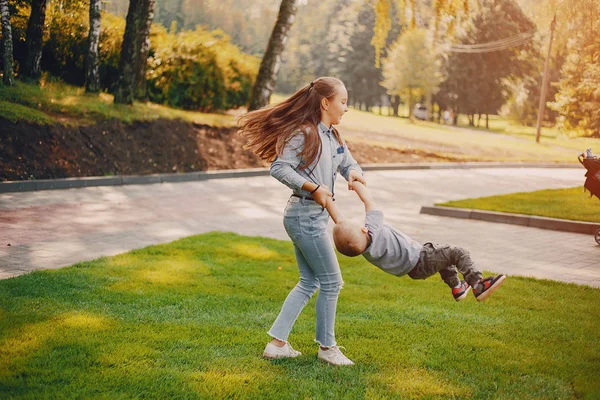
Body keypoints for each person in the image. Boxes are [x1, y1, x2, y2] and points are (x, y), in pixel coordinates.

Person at [238, 77, 365, 365]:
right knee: (332, 282)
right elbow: (280, 168)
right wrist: (313, 187)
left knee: (310, 281)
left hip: (312, 218)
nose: (346, 107)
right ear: (326, 103)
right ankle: (327, 348)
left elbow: (347, 161)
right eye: (343, 102)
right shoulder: (304, 133)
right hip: (303, 215)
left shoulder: (332, 135)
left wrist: (354, 173)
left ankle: (277, 343)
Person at [327, 182, 506, 302]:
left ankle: (458, 288)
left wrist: (326, 200)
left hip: (413, 270)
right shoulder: (374, 228)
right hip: (421, 258)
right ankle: (478, 284)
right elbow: (368, 200)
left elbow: (340, 222)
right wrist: (356, 183)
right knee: (457, 253)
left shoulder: (364, 249)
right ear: (364, 229)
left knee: (444, 260)